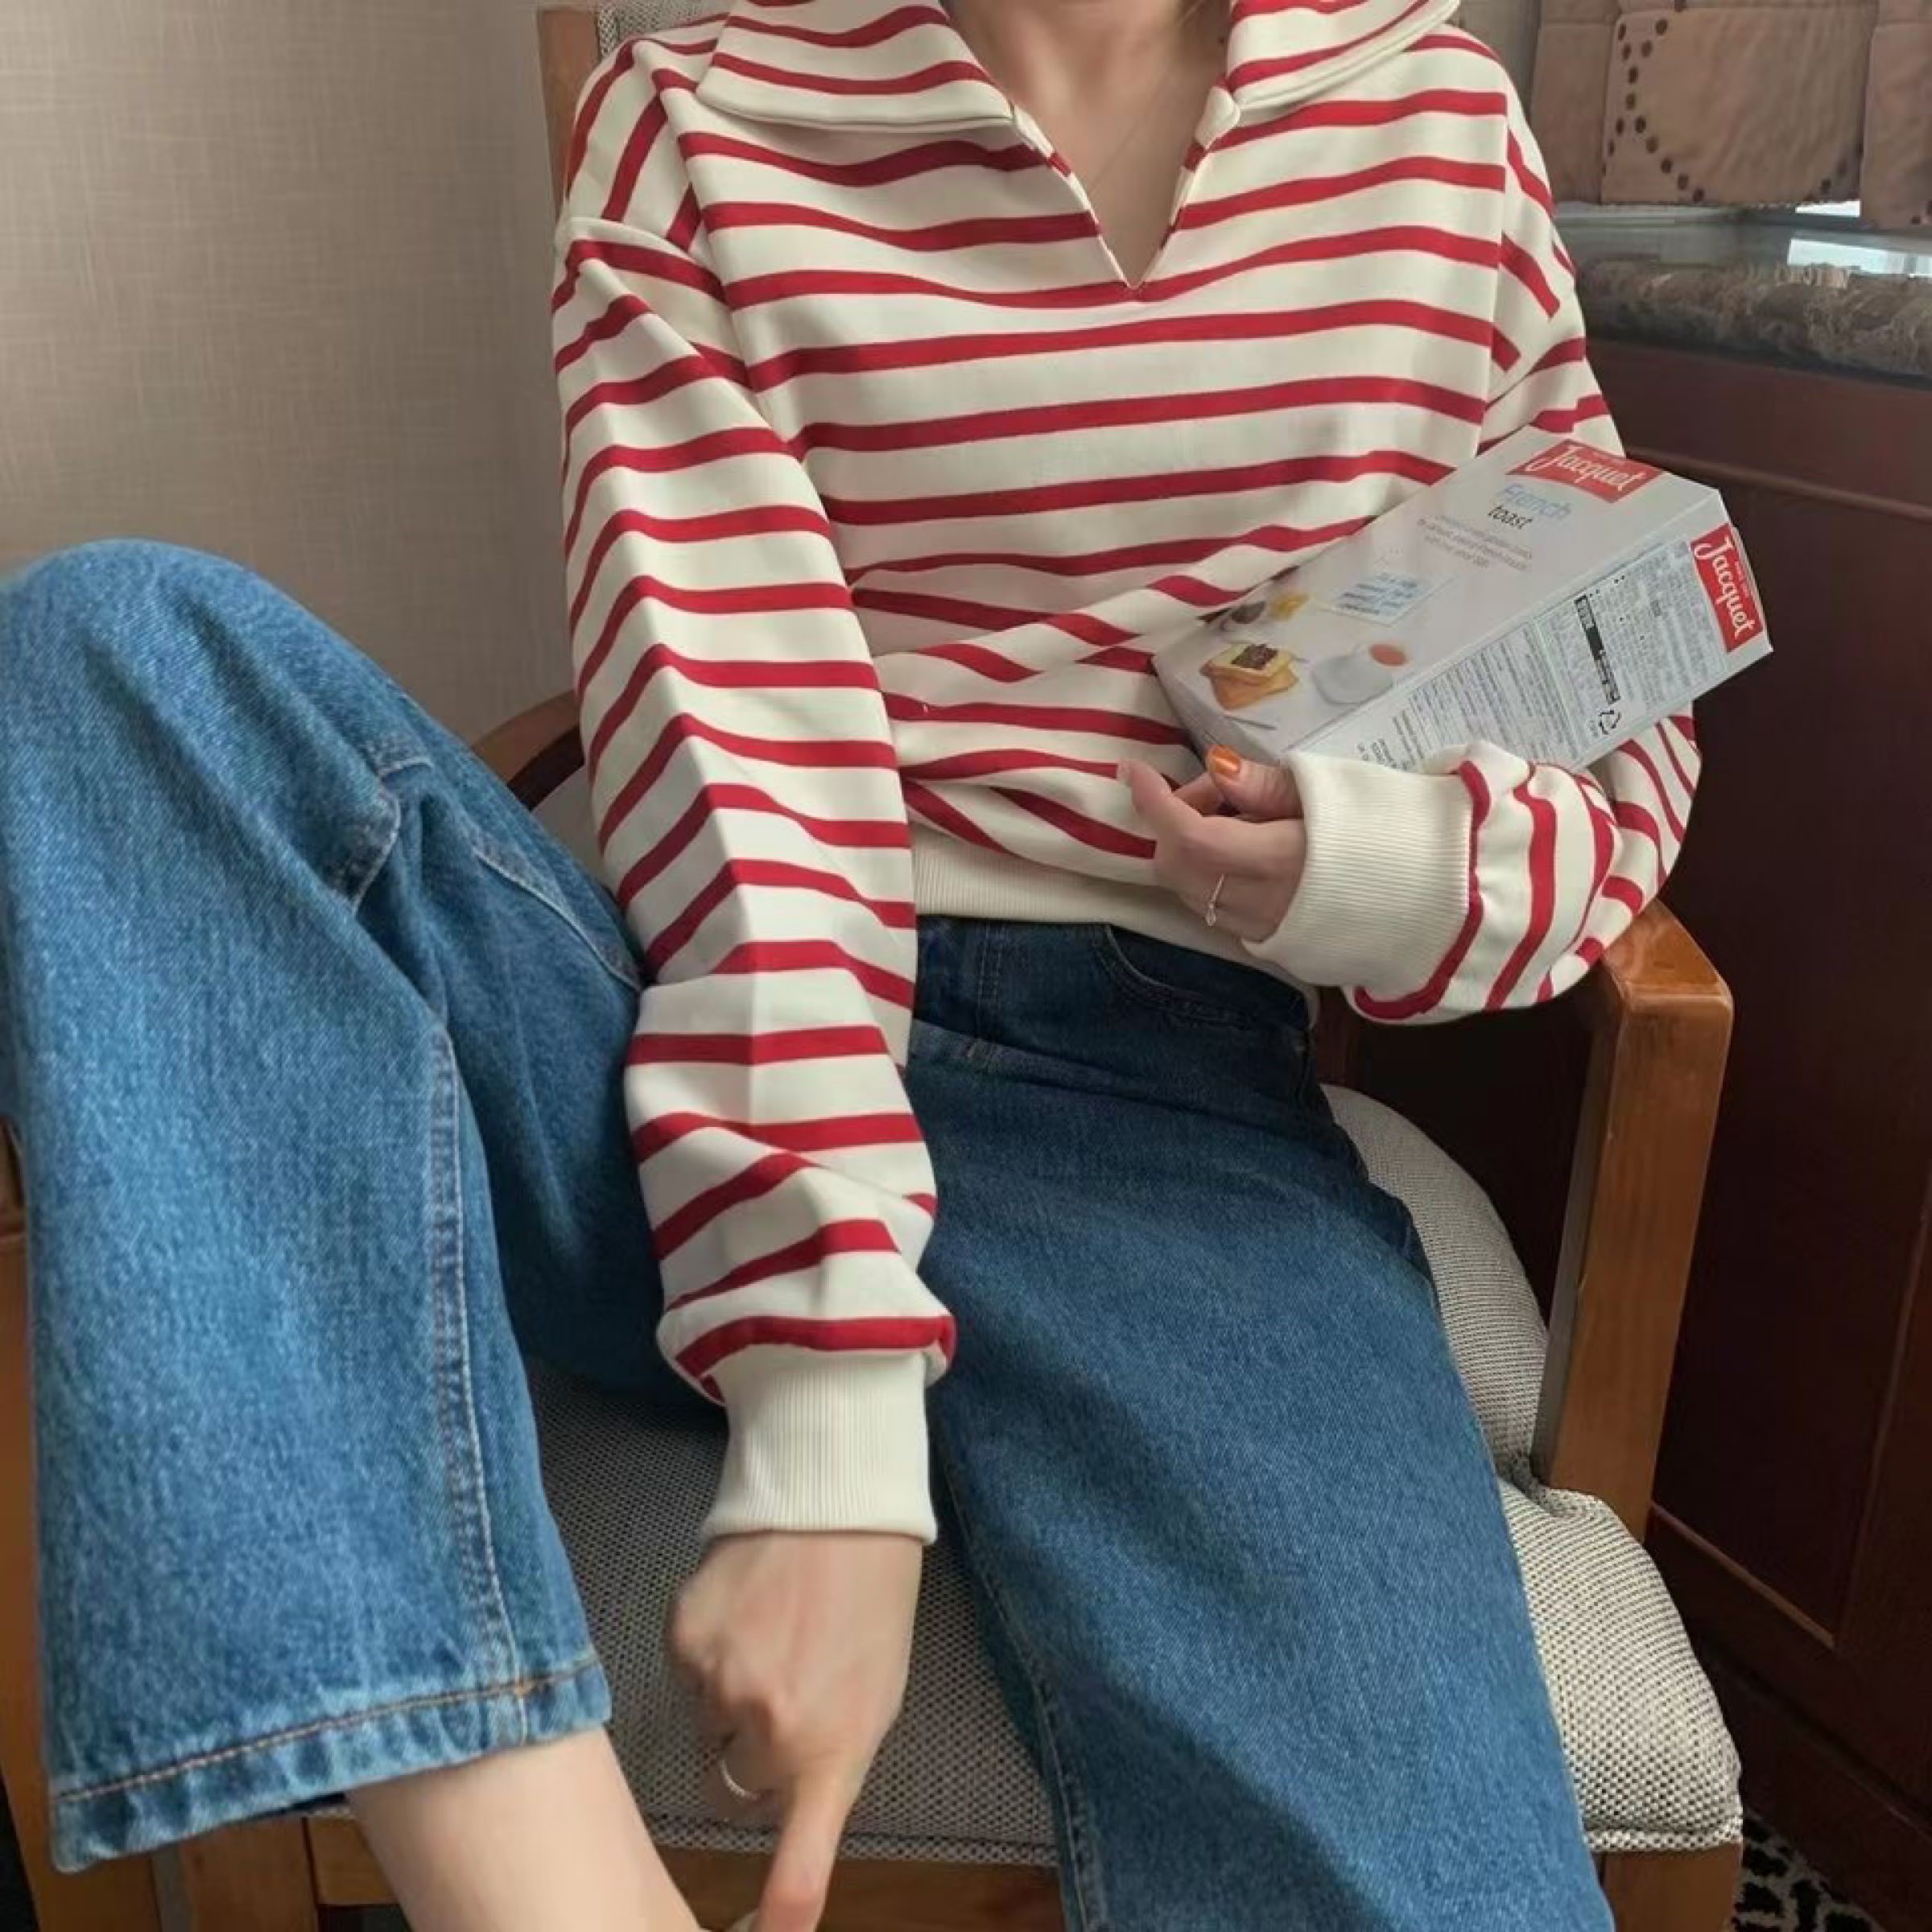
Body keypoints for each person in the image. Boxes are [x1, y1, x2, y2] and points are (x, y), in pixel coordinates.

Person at [0, 0, 1699, 1926]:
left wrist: (1370, 866)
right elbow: (744, 791)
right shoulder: (699, 120)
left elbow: (1618, 717)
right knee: (107, 662)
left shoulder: (1435, 128)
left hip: (1165, 1113)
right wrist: (827, 1419)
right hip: (720, 1050)